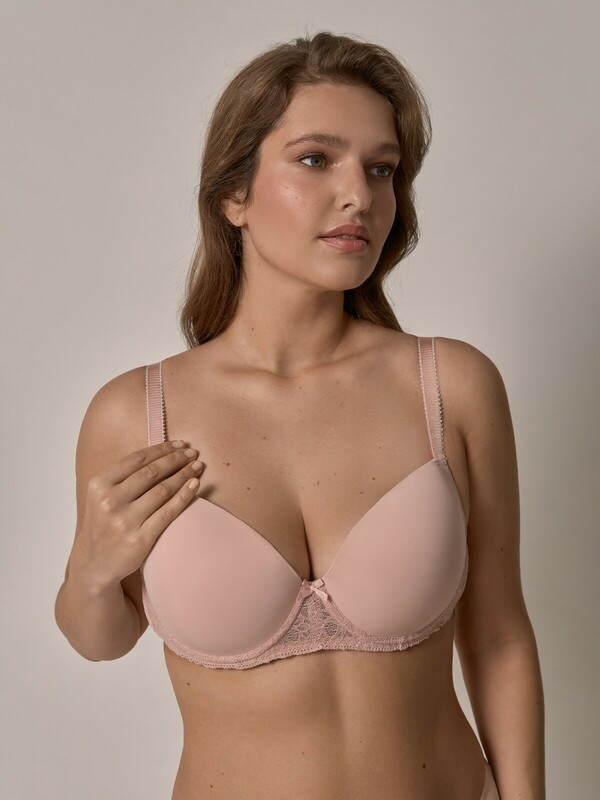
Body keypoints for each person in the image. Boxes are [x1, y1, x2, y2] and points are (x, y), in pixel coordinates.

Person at [54, 31, 545, 800]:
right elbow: (103, 639)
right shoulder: (136, 413)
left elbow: (501, 635)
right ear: (233, 195)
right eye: (317, 159)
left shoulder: (450, 387)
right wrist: (90, 573)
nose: (360, 195)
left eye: (381, 169)